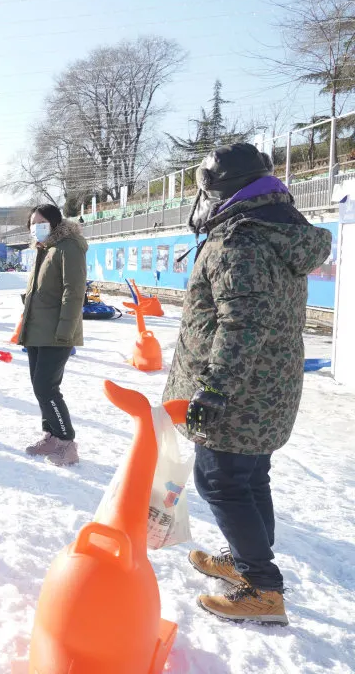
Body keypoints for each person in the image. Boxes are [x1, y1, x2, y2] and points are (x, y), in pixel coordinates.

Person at [165, 143, 331, 625]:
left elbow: (243, 323)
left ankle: (262, 586)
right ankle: (245, 560)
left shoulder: (242, 241)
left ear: (223, 191)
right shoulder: (274, 230)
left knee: (221, 482)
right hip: (266, 387)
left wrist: (213, 389)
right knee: (248, 478)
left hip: (238, 393)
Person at [19, 204, 87, 467]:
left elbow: (74, 292)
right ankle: (51, 435)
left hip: (57, 332)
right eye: (32, 223)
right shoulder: (43, 250)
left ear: (54, 222)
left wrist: (65, 332)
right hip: (37, 330)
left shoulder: (68, 247)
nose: (36, 227)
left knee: (47, 387)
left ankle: (67, 442)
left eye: (41, 222)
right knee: (40, 388)